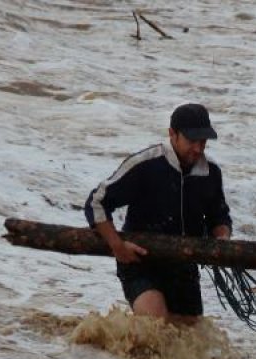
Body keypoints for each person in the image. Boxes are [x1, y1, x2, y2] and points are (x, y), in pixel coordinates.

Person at [84, 103, 232, 325]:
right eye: (192, 140)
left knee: (189, 337)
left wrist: (223, 238)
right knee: (155, 323)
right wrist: (117, 246)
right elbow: (96, 202)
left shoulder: (211, 172)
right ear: (172, 134)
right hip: (140, 261)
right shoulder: (145, 165)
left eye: (203, 142)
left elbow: (219, 216)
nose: (198, 149)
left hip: (185, 267)